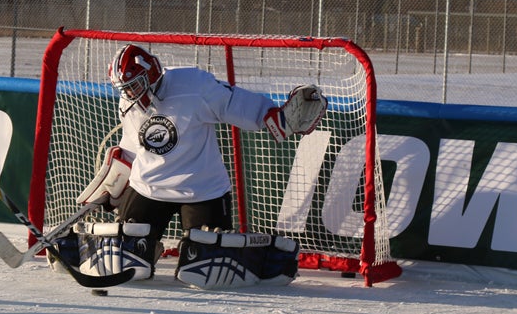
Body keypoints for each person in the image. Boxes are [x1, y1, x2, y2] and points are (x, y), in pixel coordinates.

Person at [52, 44, 325, 289]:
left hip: (202, 189)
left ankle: (267, 259)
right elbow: (134, 144)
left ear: (150, 75)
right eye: (124, 89)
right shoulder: (129, 98)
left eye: (133, 85)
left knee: (203, 263)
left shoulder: (193, 85)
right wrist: (114, 183)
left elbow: (233, 102)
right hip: (148, 187)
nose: (128, 93)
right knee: (125, 255)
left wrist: (273, 116)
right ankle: (135, 248)